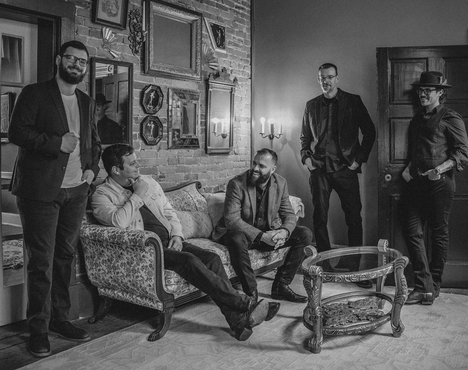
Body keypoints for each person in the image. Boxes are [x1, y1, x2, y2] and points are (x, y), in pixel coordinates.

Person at [91, 144, 279, 341]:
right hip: (146, 250)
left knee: (212, 259)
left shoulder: (148, 182)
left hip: (170, 241)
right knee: (189, 261)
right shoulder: (102, 195)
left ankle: (237, 322)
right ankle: (247, 303)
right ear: (116, 169)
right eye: (132, 163)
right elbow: (118, 222)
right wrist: (138, 195)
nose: (138, 165)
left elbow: (168, 211)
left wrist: (177, 235)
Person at [8, 40, 101, 358]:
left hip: (76, 191)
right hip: (40, 192)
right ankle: (38, 329)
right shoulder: (35, 93)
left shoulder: (86, 101)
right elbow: (17, 133)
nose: (77, 65)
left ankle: (60, 319)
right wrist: (56, 143)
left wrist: (92, 170)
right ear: (59, 60)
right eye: (72, 59)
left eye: (83, 62)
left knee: (65, 257)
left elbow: (94, 142)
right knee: (41, 262)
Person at [300, 63, 376, 288]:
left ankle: (355, 271)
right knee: (319, 218)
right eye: (322, 78)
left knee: (354, 218)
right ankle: (325, 267)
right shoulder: (311, 105)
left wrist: (358, 160)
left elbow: (370, 131)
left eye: (330, 77)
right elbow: (305, 137)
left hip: (345, 169)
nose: (326, 81)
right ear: (319, 79)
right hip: (319, 169)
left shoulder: (353, 101)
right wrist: (306, 159)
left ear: (337, 79)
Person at [401, 71, 468, 305]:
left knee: (439, 233)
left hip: (440, 184)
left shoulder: (450, 117)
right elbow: (416, 150)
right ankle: (424, 286)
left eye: (428, 90)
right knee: (412, 231)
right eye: (420, 90)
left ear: (440, 92)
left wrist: (439, 169)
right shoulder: (417, 120)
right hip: (416, 183)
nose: (422, 94)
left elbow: (463, 153)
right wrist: (408, 169)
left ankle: (433, 286)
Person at [213, 148, 313, 303]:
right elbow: (232, 220)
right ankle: (251, 293)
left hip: (266, 233)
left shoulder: (280, 183)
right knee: (236, 238)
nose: (255, 168)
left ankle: (281, 286)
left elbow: (288, 214)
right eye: (254, 163)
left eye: (261, 166)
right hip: (238, 233)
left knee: (304, 233)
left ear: (273, 169)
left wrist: (284, 232)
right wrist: (262, 236)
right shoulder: (237, 184)